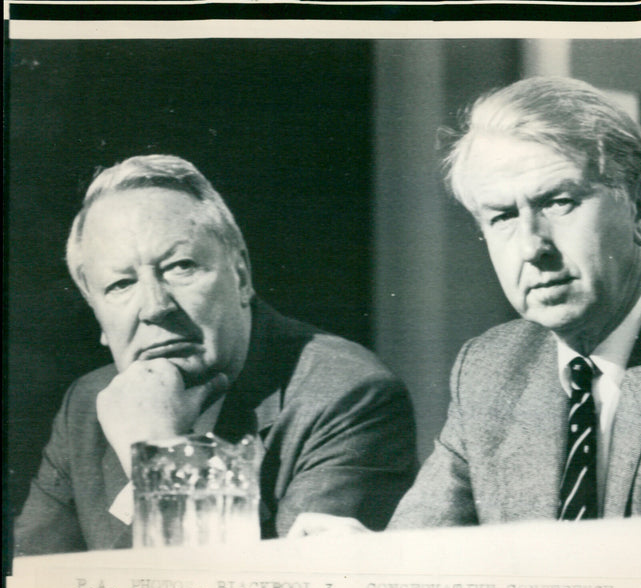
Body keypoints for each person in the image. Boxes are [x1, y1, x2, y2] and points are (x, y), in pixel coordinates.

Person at [291, 75, 641, 535]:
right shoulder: (490, 369)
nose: (532, 247)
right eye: (503, 217)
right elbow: (426, 555)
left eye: (559, 202)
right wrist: (370, 563)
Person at [14, 154, 417, 555]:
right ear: (98, 316)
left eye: (180, 266)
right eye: (120, 285)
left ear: (241, 276)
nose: (155, 307)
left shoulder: (346, 396)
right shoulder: (87, 405)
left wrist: (160, 449)